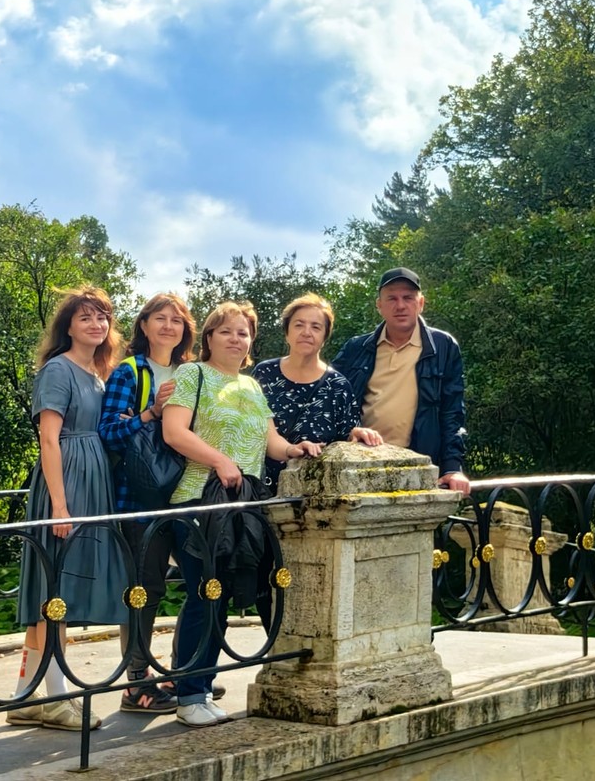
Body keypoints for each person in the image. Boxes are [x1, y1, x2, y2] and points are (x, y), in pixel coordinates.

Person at [162, 301, 322, 728]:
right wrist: (220, 460)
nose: (236, 339)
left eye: (243, 333)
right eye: (226, 331)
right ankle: (189, 695)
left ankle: (199, 687)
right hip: (197, 500)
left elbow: (271, 441)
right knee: (205, 593)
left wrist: (295, 449)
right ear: (209, 337)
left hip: (242, 504)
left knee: (223, 593)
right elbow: (173, 432)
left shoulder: (251, 386)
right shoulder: (192, 375)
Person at [8, 286, 128, 731]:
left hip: (92, 481)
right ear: (69, 327)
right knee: (54, 592)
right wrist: (60, 506)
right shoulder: (59, 369)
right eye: (85, 317)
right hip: (68, 483)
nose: (96, 324)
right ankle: (57, 698)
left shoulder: (98, 372)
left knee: (56, 590)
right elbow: (48, 438)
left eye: (102, 317)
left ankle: (24, 698)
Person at [98, 293, 196, 714]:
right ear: (144, 325)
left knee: (201, 581)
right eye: (160, 318)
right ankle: (136, 683)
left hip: (187, 493)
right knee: (146, 588)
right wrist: (151, 413)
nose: (168, 326)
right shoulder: (130, 371)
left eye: (177, 320)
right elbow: (107, 432)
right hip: (140, 498)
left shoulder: (192, 372)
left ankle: (182, 674)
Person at [332, 267, 472, 495]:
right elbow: (332, 403)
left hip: (418, 467)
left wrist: (452, 468)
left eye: (408, 297)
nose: (400, 305)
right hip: (360, 467)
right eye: (392, 298)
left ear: (421, 303)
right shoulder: (355, 349)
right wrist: (349, 430)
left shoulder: (443, 347)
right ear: (379, 305)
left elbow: (452, 413)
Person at [252, 292, 383, 491]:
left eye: (316, 327)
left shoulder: (338, 386)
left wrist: (357, 433)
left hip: (312, 493)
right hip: (260, 488)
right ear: (287, 332)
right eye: (299, 325)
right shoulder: (264, 374)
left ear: (324, 337)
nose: (306, 332)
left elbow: (347, 438)